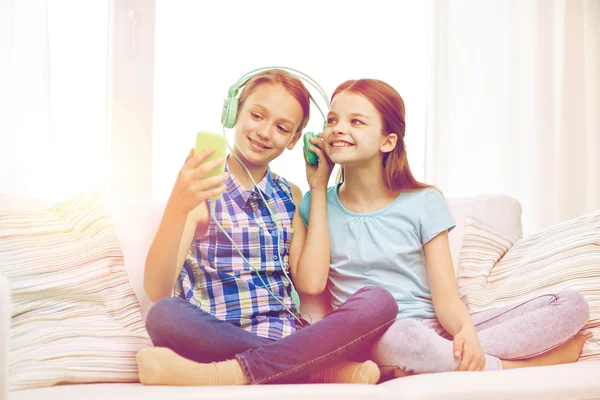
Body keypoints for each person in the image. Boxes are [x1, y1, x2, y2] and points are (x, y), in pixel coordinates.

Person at [299, 78, 591, 377]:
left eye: (356, 121)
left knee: (571, 304)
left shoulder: (424, 201)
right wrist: (318, 188)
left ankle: (442, 360)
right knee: (405, 339)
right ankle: (511, 365)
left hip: (435, 332)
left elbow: (446, 296)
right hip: (381, 338)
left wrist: (467, 333)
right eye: (332, 120)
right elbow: (314, 295)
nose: (337, 128)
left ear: (388, 141)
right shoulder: (316, 205)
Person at [136, 69, 398, 386]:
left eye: (281, 127)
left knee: (379, 302)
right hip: (217, 337)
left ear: (293, 140)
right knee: (164, 314)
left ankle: (232, 373)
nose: (264, 132)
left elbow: (312, 283)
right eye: (257, 115)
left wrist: (318, 188)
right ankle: (321, 371)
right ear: (234, 113)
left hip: (288, 335)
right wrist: (178, 205)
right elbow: (156, 288)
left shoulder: (291, 195)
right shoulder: (202, 188)